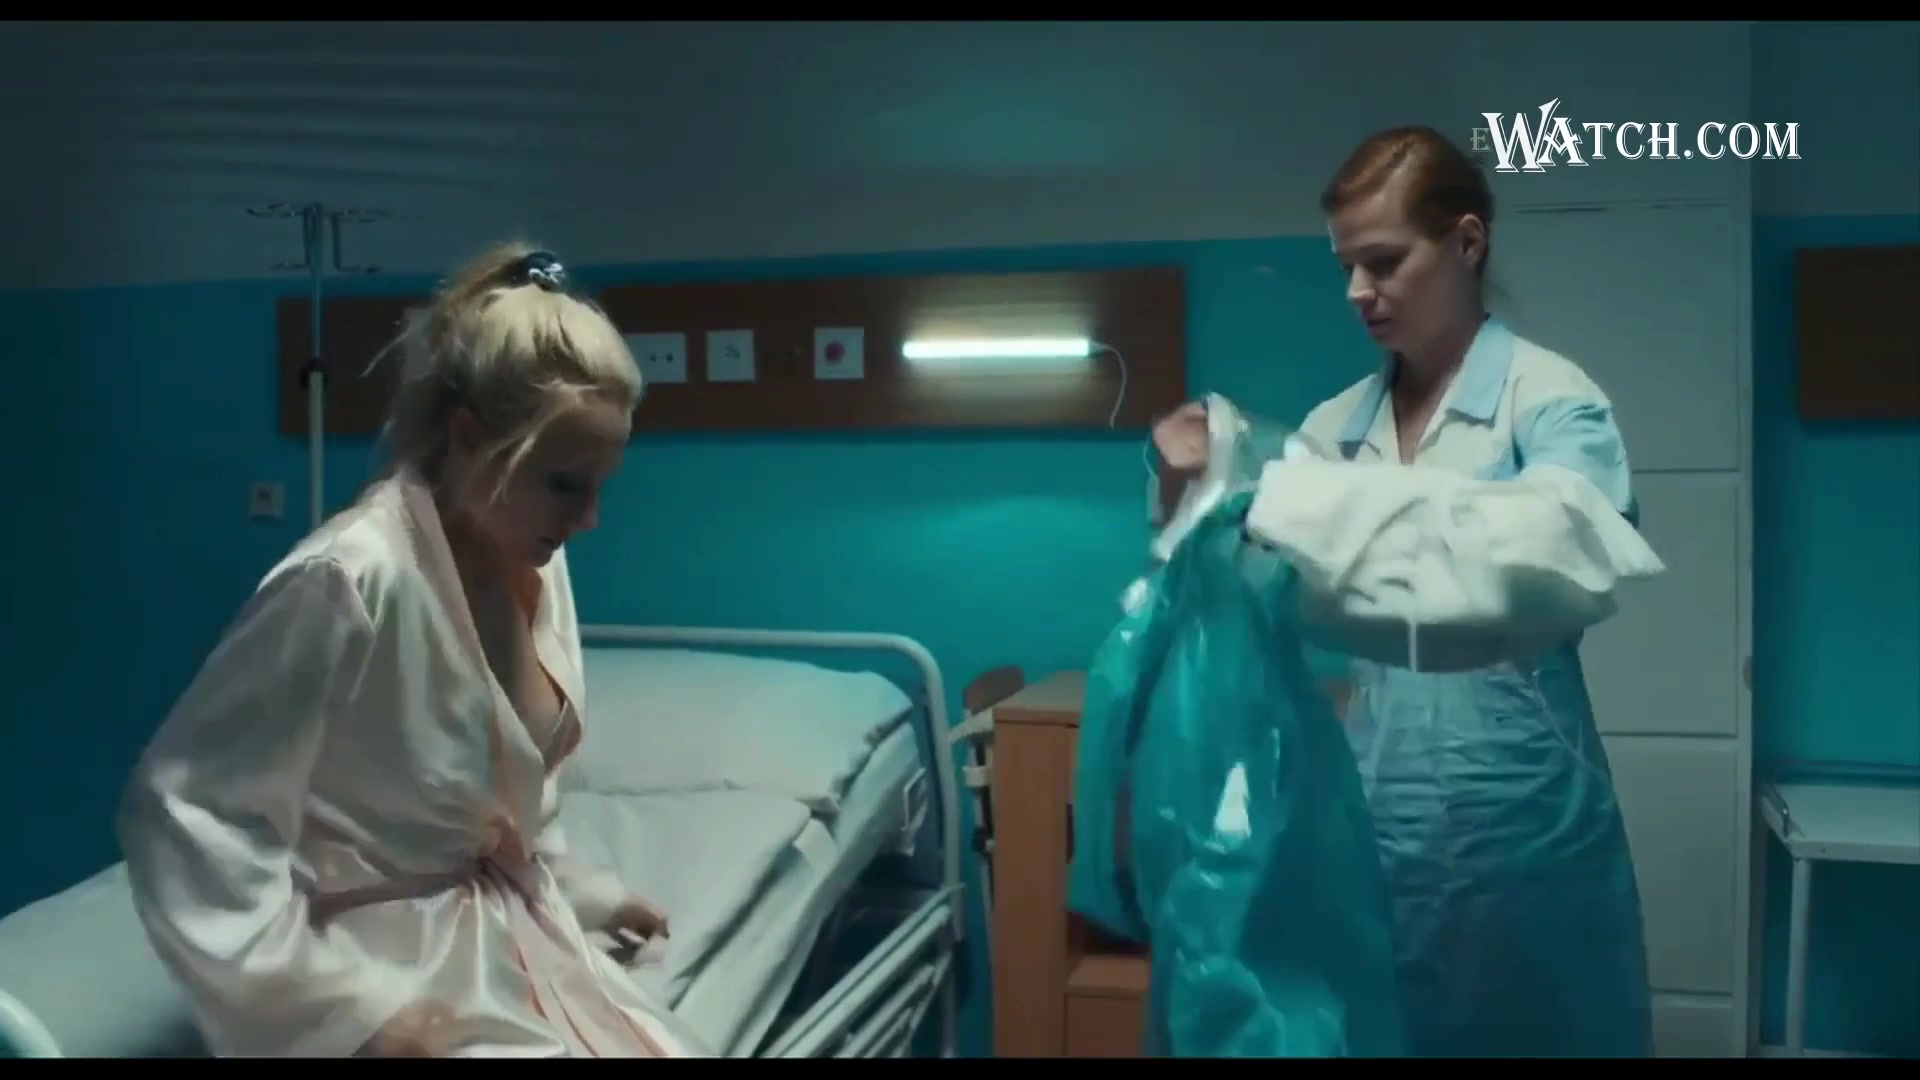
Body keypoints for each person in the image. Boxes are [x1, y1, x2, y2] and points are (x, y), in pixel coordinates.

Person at [116, 243, 711, 1058]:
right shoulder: (350, 579)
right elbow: (188, 807)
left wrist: (582, 894)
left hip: (498, 933)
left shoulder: (536, 559)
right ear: (469, 439)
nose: (590, 519)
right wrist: (344, 1013)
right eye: (565, 484)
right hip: (380, 965)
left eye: (600, 484)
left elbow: (500, 798)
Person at [1152, 125, 1665, 1058]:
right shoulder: (1332, 430)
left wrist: (1290, 502)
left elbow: (1552, 564)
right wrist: (1198, 492)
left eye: (1383, 262)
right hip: (1375, 817)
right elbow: (1254, 577)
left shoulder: (1553, 402)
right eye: (1346, 266)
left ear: (1467, 243)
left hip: (1527, 823)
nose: (1357, 291)